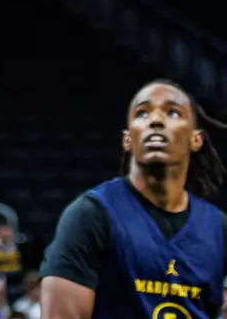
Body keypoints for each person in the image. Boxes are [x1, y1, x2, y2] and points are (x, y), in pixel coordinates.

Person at [41, 79, 227, 319]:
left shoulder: (218, 228)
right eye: (142, 113)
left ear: (196, 139)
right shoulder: (92, 215)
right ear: (127, 140)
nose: (156, 121)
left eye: (172, 112)